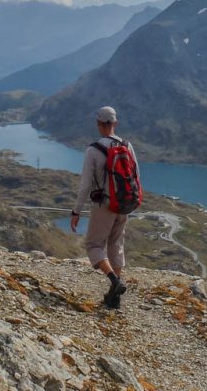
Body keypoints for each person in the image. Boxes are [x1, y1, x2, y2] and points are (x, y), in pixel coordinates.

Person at [70, 105, 139, 309]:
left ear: (98, 124)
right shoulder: (127, 146)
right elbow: (136, 176)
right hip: (124, 204)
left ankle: (115, 282)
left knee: (94, 245)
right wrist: (131, 201)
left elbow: (85, 185)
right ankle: (114, 298)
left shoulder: (93, 150)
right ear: (115, 123)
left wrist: (76, 211)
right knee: (116, 245)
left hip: (104, 205)